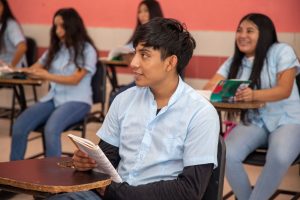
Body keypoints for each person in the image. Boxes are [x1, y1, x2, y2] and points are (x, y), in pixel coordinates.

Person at [49, 17, 219, 200]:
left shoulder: (201, 113)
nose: (133, 63)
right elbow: (107, 159)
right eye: (135, 53)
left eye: (144, 55)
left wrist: (120, 194)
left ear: (170, 63)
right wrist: (88, 164)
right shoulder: (123, 100)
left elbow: (189, 190)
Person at [204, 13, 300, 200]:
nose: (242, 35)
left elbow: (284, 90)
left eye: (249, 30)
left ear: (264, 33)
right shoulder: (236, 60)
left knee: (279, 156)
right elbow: (210, 87)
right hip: (257, 120)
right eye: (239, 30)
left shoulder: (281, 51)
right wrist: (225, 90)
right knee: (226, 154)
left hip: (289, 120)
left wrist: (253, 94)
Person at [10, 8, 98, 160]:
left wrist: (47, 75)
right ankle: (12, 175)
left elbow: (74, 79)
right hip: (53, 98)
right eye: (55, 26)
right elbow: (34, 69)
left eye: (61, 26)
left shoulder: (87, 50)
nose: (57, 31)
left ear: (72, 26)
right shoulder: (55, 49)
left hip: (78, 100)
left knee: (51, 129)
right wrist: (11, 69)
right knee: (19, 126)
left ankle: (54, 178)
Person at [108, 0, 163, 105]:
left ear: (154, 12)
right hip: (142, 80)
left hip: (155, 81)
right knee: (116, 97)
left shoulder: (162, 36)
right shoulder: (138, 35)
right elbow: (128, 52)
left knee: (118, 98)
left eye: (145, 11)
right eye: (139, 12)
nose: (141, 15)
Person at [0, 0, 27, 67]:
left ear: (4, 7)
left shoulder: (11, 25)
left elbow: (22, 47)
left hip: (14, 69)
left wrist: (11, 66)